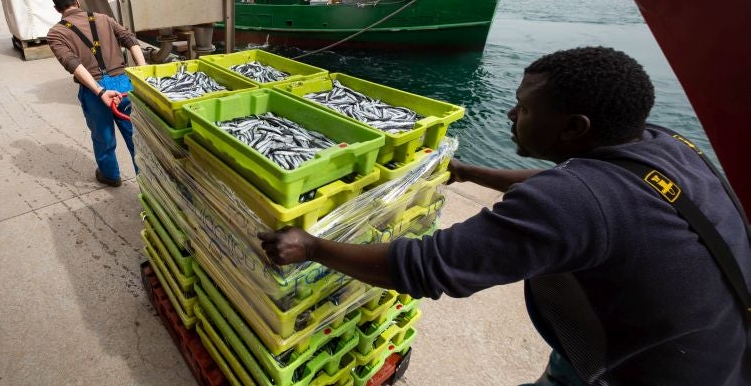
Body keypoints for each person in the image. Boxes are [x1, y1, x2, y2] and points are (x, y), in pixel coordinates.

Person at [259, 47, 750, 386]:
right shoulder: (664, 146)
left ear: (574, 128)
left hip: (649, 371)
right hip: (717, 347)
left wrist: (313, 246)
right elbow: (582, 188)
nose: (511, 116)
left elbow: (425, 268)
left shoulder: (575, 200)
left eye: (525, 109)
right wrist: (470, 172)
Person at [46, 0, 146, 187]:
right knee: (135, 135)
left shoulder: (56, 33)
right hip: (123, 84)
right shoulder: (103, 18)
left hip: (94, 90)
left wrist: (100, 91)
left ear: (56, 9)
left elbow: (72, 63)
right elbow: (129, 39)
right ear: (78, 2)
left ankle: (110, 175)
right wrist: (143, 71)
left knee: (103, 136)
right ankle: (148, 179)